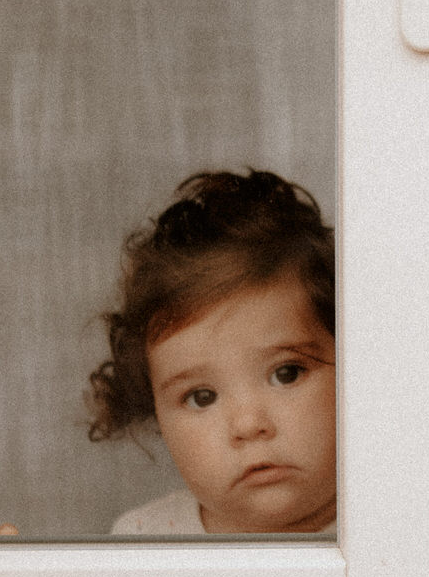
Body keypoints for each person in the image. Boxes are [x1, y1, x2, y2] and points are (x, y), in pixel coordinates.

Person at [87, 168, 337, 535]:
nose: (249, 426)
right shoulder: (144, 540)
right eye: (201, 397)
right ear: (153, 411)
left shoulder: (398, 529)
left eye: (286, 373)